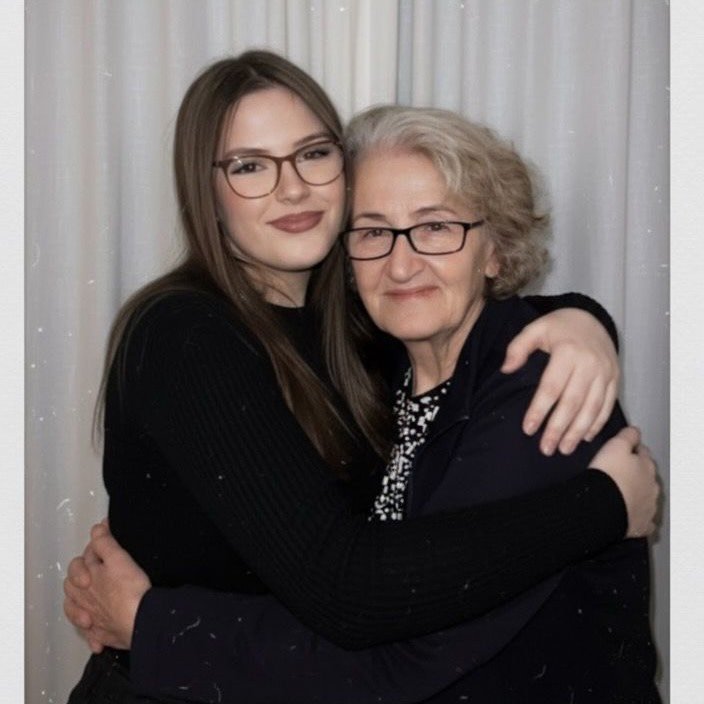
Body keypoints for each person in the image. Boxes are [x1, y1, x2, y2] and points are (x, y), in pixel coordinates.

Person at [63, 53, 659, 703]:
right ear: (203, 192)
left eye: (313, 154)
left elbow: (389, 621)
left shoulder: (375, 343)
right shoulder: (187, 334)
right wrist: (605, 506)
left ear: (496, 248)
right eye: (250, 165)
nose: (292, 189)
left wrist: (581, 320)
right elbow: (351, 590)